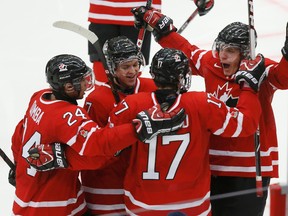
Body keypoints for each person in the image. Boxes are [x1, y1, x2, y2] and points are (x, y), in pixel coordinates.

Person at [131, 3, 288, 216]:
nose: (222, 55)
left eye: (230, 51)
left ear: (245, 53)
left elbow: (284, 77)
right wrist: (161, 27)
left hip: (248, 169)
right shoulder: (211, 63)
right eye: (220, 48)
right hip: (211, 165)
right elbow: (187, 51)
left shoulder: (262, 69)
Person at [10, 54, 185, 215]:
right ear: (68, 86)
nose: (87, 84)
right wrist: (141, 128)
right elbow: (99, 145)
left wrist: (18, 164)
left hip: (28, 194)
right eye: (82, 81)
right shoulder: (67, 115)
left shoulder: (39, 98)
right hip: (54, 205)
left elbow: (18, 136)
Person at [106, 47, 264, 215]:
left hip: (142, 205)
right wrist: (248, 87)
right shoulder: (202, 103)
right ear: (181, 77)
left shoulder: (131, 104)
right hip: (192, 206)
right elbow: (245, 124)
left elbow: (108, 147)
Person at [81, 36, 157, 215]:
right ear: (111, 68)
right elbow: (91, 148)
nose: (132, 71)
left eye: (135, 65)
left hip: (143, 184)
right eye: (125, 67)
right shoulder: (97, 100)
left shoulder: (152, 88)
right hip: (106, 186)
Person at [87, 0, 161, 86]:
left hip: (141, 9)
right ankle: (103, 97)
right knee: (102, 63)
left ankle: (130, 99)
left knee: (134, 63)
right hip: (103, 9)